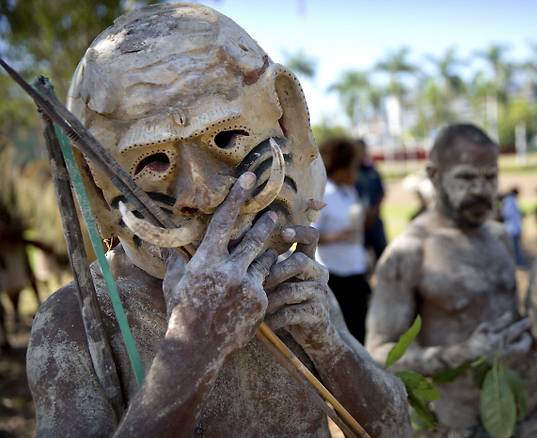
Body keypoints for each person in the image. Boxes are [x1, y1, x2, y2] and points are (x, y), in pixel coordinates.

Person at [26, 5, 410, 436]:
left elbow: (394, 428)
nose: (203, 194)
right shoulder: (76, 321)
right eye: (154, 161)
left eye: (226, 139)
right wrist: (192, 349)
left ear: (290, 124)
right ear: (96, 184)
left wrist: (330, 343)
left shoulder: (284, 282)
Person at [366, 124, 537, 437]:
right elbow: (380, 354)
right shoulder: (409, 252)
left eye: (490, 177)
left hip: (528, 411)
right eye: (466, 177)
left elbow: (509, 317)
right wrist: (461, 353)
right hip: (456, 424)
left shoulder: (501, 237)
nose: (481, 189)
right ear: (434, 175)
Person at [315, 137, 372, 344]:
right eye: (352, 167)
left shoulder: (350, 192)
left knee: (360, 331)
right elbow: (311, 234)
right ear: (339, 168)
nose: (355, 174)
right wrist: (336, 237)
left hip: (355, 270)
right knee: (343, 336)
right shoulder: (324, 194)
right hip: (335, 277)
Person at [355, 139, 388, 263]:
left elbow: (381, 192)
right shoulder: (350, 172)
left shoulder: (372, 171)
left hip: (375, 222)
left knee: (383, 256)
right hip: (358, 224)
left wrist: (374, 213)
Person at [500, 187, 526, 266]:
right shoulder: (509, 201)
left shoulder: (510, 201)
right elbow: (506, 214)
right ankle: (516, 262)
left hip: (514, 228)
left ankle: (518, 262)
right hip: (511, 228)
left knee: (515, 247)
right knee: (513, 247)